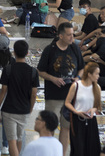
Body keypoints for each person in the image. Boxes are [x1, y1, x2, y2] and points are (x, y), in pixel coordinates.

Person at [37, 22, 84, 155]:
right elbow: (40, 71)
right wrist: (53, 79)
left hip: (70, 96)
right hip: (53, 95)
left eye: (72, 35)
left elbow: (81, 68)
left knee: (66, 128)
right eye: (69, 35)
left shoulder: (74, 48)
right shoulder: (50, 50)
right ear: (61, 36)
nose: (72, 38)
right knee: (49, 127)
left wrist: (78, 78)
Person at [0, 40, 39, 156]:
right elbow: (34, 93)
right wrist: (30, 108)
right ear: (27, 53)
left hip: (9, 110)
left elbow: (3, 91)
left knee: (11, 140)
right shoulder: (33, 72)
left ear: (14, 53)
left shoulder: (8, 69)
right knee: (19, 138)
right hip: (24, 110)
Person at [63, 61, 102, 156]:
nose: (98, 76)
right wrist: (76, 112)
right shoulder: (76, 85)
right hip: (77, 120)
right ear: (89, 74)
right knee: (78, 148)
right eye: (96, 74)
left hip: (91, 120)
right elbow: (67, 102)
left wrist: (93, 110)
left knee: (92, 147)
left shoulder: (97, 87)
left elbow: (98, 106)